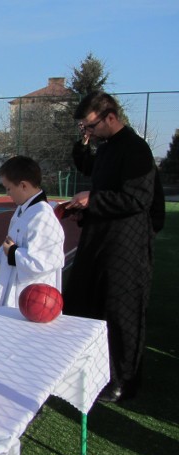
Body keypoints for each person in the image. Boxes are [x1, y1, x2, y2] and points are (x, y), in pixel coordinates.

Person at [63, 91, 163, 403]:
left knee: (122, 312)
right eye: (84, 129)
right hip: (100, 238)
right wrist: (86, 205)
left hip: (127, 245)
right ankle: (91, 369)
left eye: (90, 127)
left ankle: (124, 381)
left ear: (110, 117)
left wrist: (93, 199)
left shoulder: (135, 149)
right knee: (82, 300)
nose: (88, 133)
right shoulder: (106, 148)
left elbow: (137, 199)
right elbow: (89, 167)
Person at [0, 155, 65, 311]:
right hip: (15, 286)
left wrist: (13, 253)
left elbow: (44, 262)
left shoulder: (42, 215)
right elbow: (12, 242)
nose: (7, 193)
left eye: (9, 188)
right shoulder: (23, 209)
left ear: (23, 186)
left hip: (34, 297)